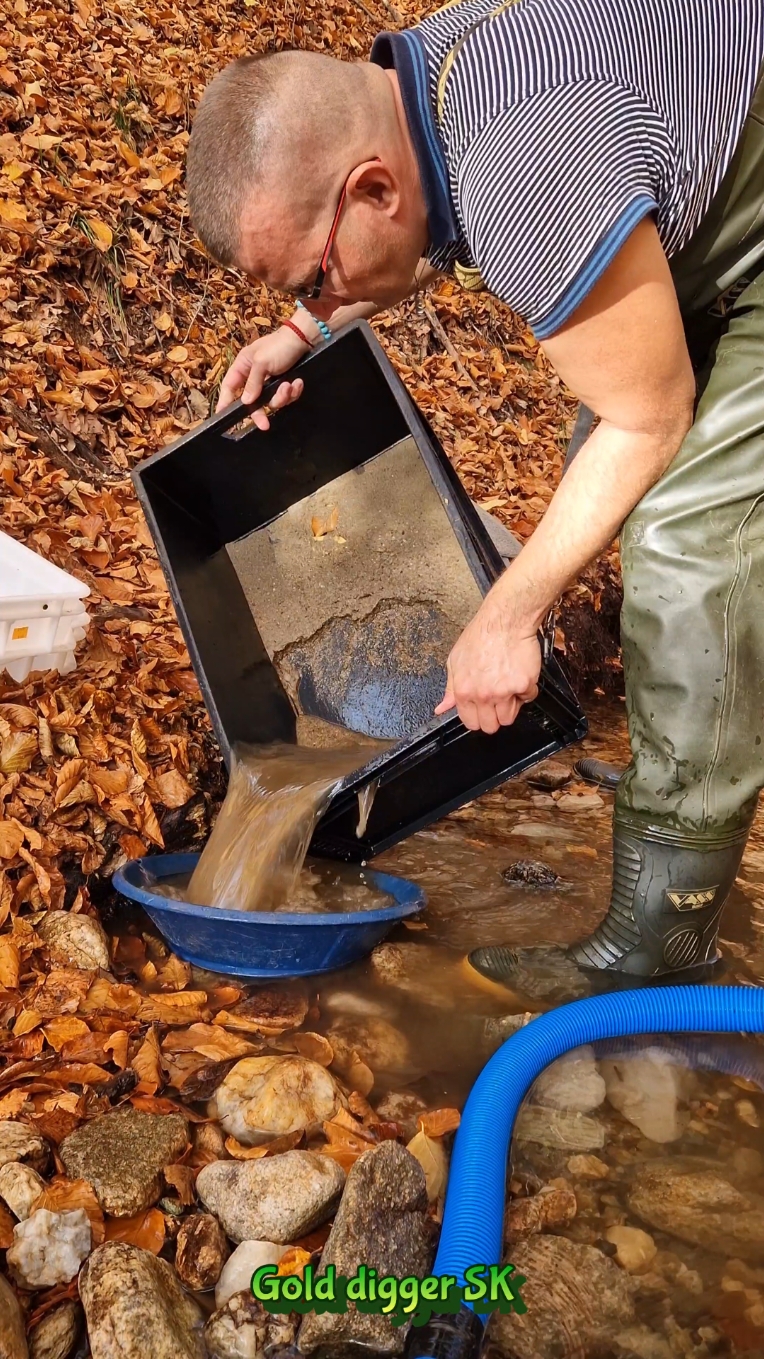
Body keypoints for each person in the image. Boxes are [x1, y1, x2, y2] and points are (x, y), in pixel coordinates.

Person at [186, 0, 764, 982]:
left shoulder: (523, 169)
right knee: (614, 481)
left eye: (314, 280)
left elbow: (648, 418)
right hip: (706, 183)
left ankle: (657, 949)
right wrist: (303, 332)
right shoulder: (421, 85)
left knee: (681, 546)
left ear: (369, 185)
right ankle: (678, 776)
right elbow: (410, 229)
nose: (318, 300)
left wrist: (505, 615)